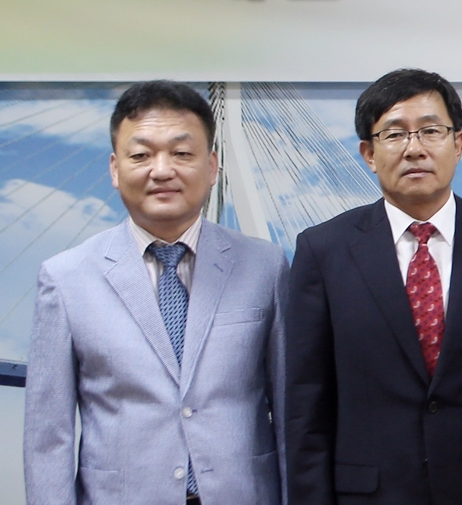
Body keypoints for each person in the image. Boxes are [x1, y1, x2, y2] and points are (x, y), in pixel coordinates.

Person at [286, 69, 462, 505]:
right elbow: (307, 407)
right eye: (394, 134)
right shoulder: (323, 251)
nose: (414, 148)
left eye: (431, 131)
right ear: (368, 153)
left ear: (458, 144)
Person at [25, 81, 287, 505]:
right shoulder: (65, 278)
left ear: (212, 166)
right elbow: (47, 437)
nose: (162, 170)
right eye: (141, 155)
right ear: (115, 169)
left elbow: (293, 412)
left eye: (182, 153)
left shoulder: (265, 266)